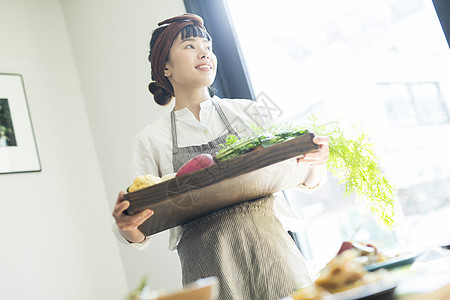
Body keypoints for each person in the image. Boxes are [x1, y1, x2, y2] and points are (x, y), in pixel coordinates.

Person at [112, 13, 330, 300]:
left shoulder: (250, 112)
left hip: (274, 253)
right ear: (165, 66)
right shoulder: (151, 139)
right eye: (190, 45)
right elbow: (140, 229)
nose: (204, 52)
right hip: (207, 267)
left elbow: (307, 180)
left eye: (208, 46)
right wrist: (127, 224)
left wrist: (316, 161)